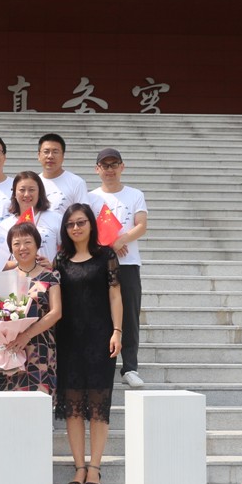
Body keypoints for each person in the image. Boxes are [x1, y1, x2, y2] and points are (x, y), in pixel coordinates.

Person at [54, 204, 123, 484]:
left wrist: (117, 331)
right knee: (72, 407)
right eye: (70, 224)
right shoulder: (61, 260)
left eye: (81, 222)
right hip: (68, 340)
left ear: (91, 224)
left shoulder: (106, 256)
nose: (76, 228)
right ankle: (79, 467)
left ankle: (94, 467)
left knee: (97, 406)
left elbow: (115, 295)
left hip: (100, 338)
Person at [87, 147, 149, 389]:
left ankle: (130, 367)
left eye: (114, 164)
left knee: (130, 316)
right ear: (97, 169)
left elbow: (141, 225)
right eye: (105, 165)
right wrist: (108, 246)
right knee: (100, 315)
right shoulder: (91, 198)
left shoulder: (134, 195)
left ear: (122, 167)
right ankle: (102, 365)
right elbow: (87, 230)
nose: (109, 169)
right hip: (99, 263)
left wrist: (121, 240)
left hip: (128, 263)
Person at [0, 221, 62, 395]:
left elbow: (56, 312)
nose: (22, 247)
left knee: (38, 402)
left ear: (37, 245)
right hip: (11, 349)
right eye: (16, 243)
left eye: (27, 242)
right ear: (11, 249)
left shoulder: (50, 276)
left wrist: (27, 335)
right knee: (10, 403)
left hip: (40, 348)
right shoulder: (4, 278)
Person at [0, 171, 62, 265]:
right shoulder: (5, 225)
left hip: (48, 273)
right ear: (14, 194)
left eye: (31, 190)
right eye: (22, 190)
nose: (26, 194)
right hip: (17, 274)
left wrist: (53, 265)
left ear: (39, 193)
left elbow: (69, 252)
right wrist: (21, 264)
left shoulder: (56, 219)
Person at [36, 133, 88, 217]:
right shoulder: (34, 183)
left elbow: (83, 216)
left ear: (63, 156)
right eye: (46, 152)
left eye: (55, 152)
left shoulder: (76, 182)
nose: (50, 156)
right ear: (39, 155)